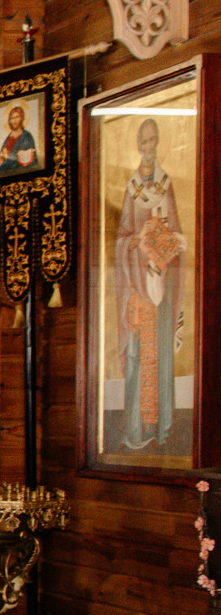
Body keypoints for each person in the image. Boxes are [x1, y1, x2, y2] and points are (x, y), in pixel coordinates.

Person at [115, 116, 186, 450]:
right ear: (137, 146)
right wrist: (134, 242)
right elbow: (122, 237)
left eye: (152, 141)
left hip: (160, 285)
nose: (148, 147)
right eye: (143, 142)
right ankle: (136, 427)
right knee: (137, 355)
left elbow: (176, 237)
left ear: (157, 144)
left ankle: (161, 426)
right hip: (137, 286)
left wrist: (161, 240)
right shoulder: (131, 188)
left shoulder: (165, 183)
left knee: (159, 355)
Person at [0, 104, 40, 175]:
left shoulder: (26, 136)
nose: (14, 121)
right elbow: (0, 161)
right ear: (9, 120)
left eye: (17, 117)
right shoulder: (8, 138)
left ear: (21, 118)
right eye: (12, 118)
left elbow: (27, 161)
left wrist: (6, 161)